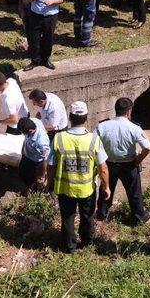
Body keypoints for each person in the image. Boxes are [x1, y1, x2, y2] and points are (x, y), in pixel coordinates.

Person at [47, 101, 110, 253]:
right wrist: (105, 186)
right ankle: (87, 242)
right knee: (87, 215)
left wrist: (50, 182)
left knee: (67, 217)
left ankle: (69, 246)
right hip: (87, 188)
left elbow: (50, 164)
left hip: (65, 187)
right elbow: (103, 167)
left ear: (69, 117)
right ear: (86, 119)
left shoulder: (59, 138)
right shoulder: (94, 139)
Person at [95, 98, 150, 224]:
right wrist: (138, 159)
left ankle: (101, 215)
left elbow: (93, 143)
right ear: (128, 112)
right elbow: (147, 147)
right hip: (129, 164)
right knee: (134, 192)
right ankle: (138, 217)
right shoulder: (134, 127)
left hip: (108, 164)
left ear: (116, 110)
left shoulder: (102, 126)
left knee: (106, 189)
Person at [23, 0, 66, 71]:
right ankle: (34, 61)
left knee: (48, 39)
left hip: (51, 16)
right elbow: (25, 0)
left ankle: (46, 59)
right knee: (34, 39)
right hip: (35, 15)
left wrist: (53, 2)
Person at [17, 117, 51, 192]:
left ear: (30, 131)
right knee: (22, 173)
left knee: (35, 180)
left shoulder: (41, 142)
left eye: (23, 133)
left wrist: (42, 175)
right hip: (27, 155)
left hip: (36, 161)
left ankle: (36, 192)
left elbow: (45, 159)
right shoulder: (33, 121)